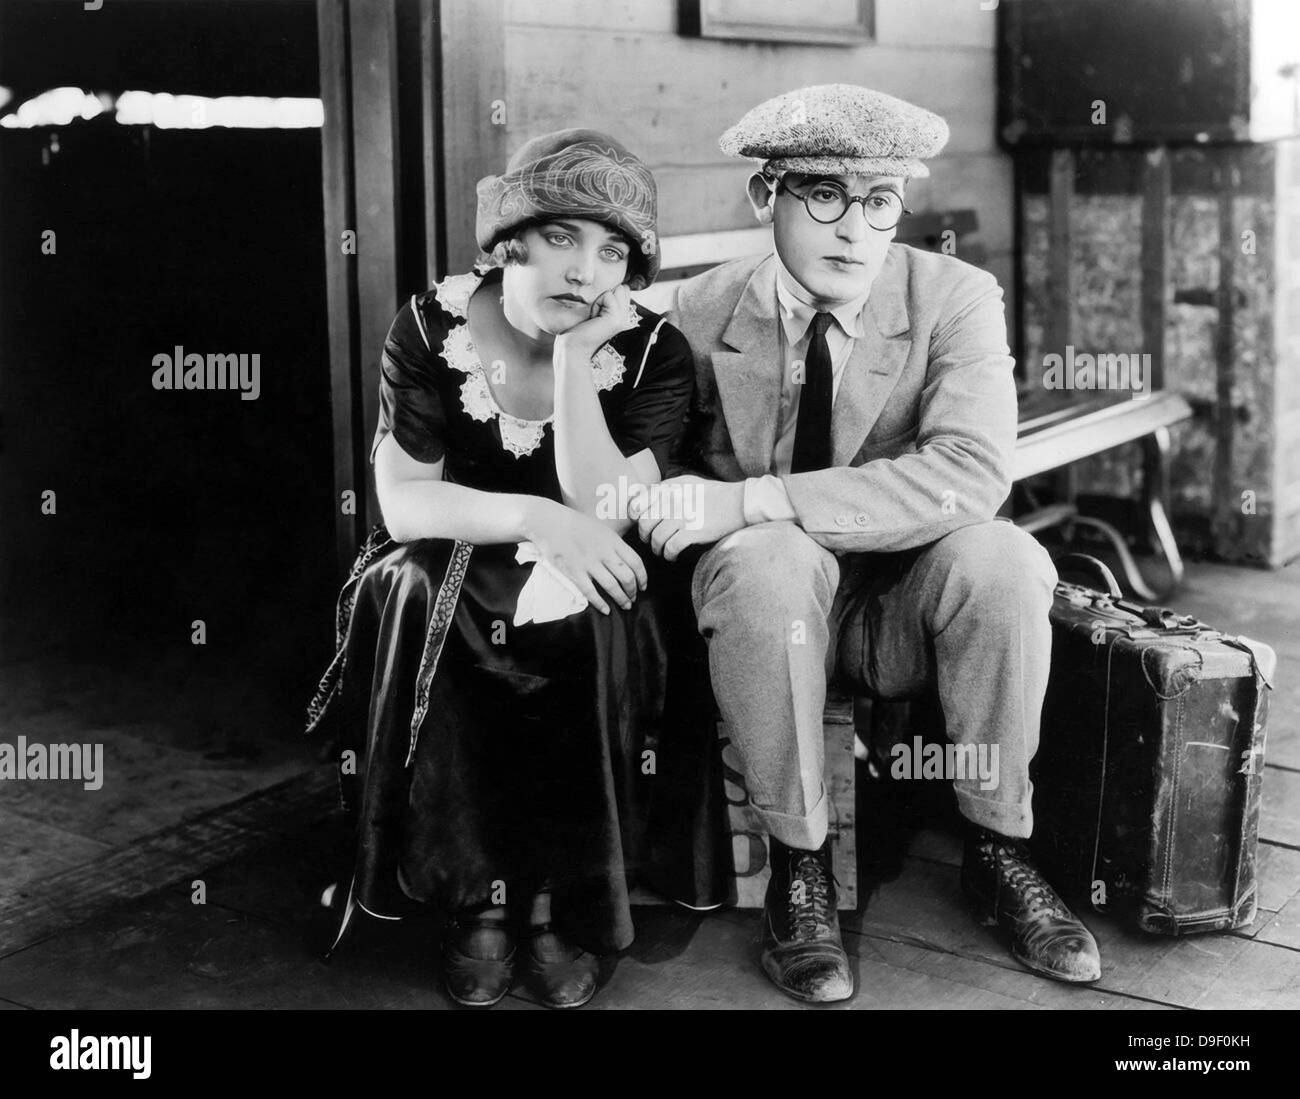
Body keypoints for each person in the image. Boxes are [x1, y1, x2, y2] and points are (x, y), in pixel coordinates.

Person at [631, 84, 1102, 1003]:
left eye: (880, 199)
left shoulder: (955, 296)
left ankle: (999, 846)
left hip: (902, 607)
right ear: (764, 194)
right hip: (765, 615)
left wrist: (754, 498)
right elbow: (646, 475)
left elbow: (971, 471)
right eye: (824, 195)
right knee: (767, 558)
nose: (855, 229)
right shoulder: (694, 312)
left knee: (1006, 559)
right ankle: (798, 870)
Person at [306, 128, 729, 1010]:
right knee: (425, 589)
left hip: (585, 560)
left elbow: (601, 512)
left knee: (596, 599)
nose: (587, 270)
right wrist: (531, 514)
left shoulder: (655, 354)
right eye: (564, 237)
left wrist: (575, 360)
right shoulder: (431, 325)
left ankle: (552, 906)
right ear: (512, 241)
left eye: (613, 251)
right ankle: (476, 906)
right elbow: (407, 505)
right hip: (447, 551)